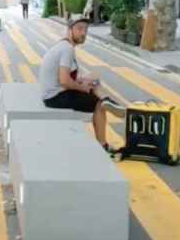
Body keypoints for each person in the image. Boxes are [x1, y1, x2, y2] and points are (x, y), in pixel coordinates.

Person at [39, 18, 126, 152]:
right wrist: (82, 87)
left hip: (55, 91)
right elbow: (64, 81)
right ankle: (103, 145)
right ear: (69, 30)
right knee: (98, 104)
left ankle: (106, 99)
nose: (83, 33)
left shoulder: (63, 46)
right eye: (79, 29)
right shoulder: (67, 49)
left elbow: (64, 77)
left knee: (92, 77)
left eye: (85, 29)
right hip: (55, 97)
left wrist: (81, 81)